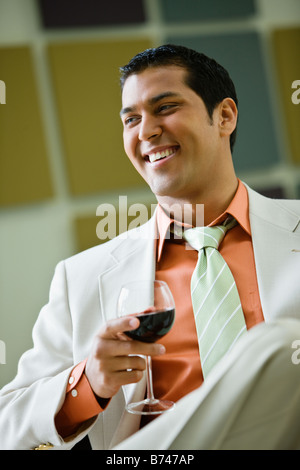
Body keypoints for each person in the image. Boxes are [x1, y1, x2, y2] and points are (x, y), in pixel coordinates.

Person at [1, 44, 300, 450]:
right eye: (131, 119)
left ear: (225, 116)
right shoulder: (82, 279)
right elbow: (8, 427)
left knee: (279, 345)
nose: (146, 131)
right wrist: (88, 383)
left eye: (165, 108)